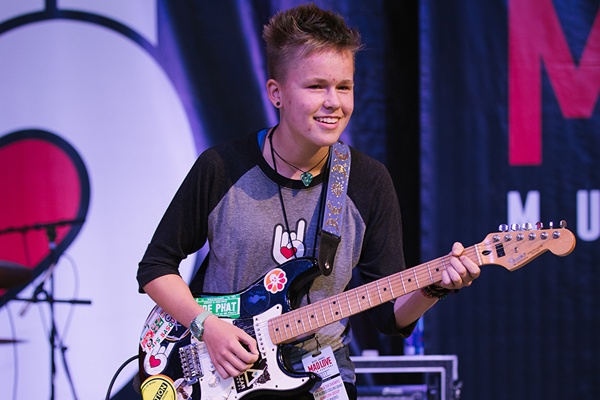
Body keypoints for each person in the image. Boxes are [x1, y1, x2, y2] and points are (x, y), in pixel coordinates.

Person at [137, 3, 480, 400]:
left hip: (324, 380)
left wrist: (433, 287)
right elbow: (155, 268)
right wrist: (206, 328)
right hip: (224, 374)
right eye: (316, 87)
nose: (334, 102)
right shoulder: (221, 168)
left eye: (344, 86)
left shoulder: (368, 182)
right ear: (277, 93)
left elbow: (389, 316)